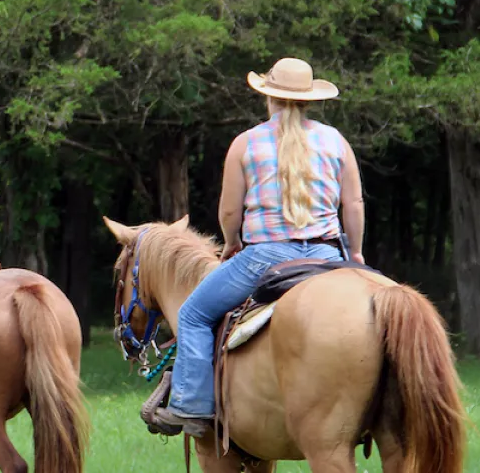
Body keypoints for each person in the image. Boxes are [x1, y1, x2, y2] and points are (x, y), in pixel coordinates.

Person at [153, 58, 364, 437]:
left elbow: (231, 209)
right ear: (309, 101)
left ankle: (193, 407)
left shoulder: (246, 143)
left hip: (266, 258)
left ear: (268, 98)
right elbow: (353, 205)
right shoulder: (336, 141)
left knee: (193, 314)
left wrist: (231, 243)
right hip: (328, 258)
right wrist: (357, 254)